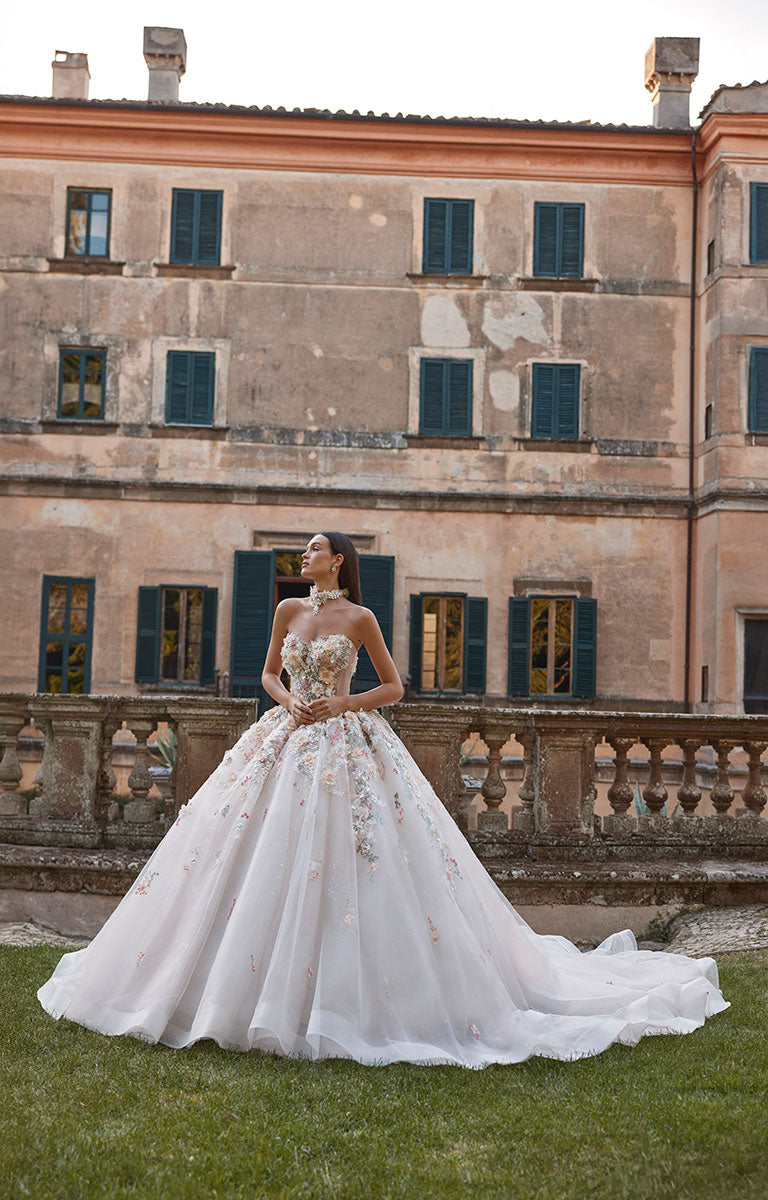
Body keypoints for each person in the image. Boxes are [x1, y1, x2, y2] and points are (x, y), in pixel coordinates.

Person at [38, 532, 729, 1066]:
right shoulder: (284, 608)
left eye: (314, 547)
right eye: (304, 547)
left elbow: (395, 688)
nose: (304, 554)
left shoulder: (360, 618)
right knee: (245, 848)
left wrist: (341, 701)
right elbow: (268, 670)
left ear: (336, 561)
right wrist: (286, 701)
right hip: (285, 735)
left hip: (343, 739)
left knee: (357, 857)